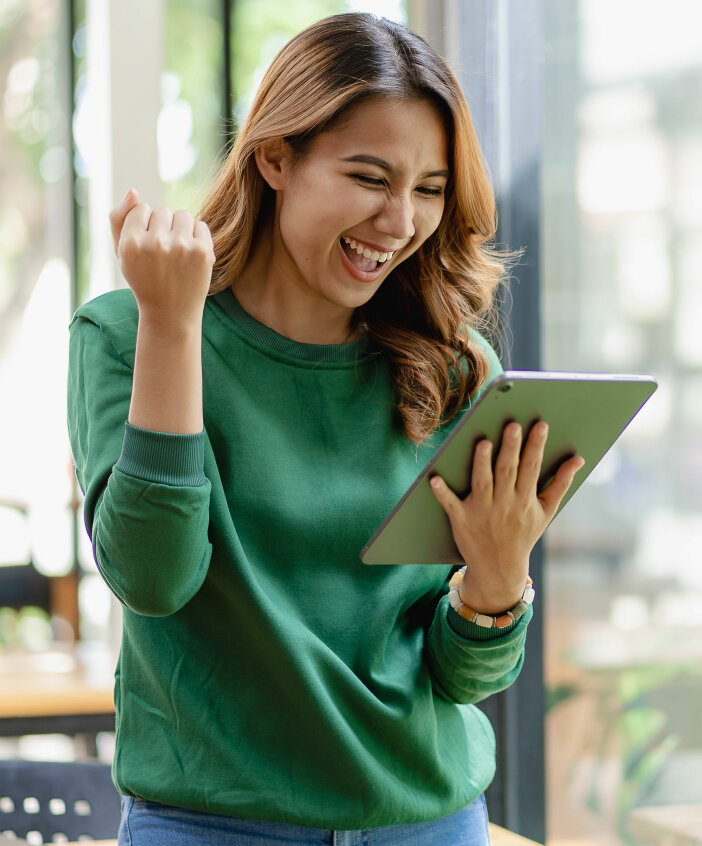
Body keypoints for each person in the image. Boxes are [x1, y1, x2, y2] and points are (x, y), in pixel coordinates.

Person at [68, 12, 583, 846]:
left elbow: (460, 680)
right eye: (370, 176)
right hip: (209, 827)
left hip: (428, 822)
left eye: (429, 188)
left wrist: (497, 581)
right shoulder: (128, 334)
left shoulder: (457, 367)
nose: (400, 221)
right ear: (276, 157)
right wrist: (174, 326)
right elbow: (154, 578)